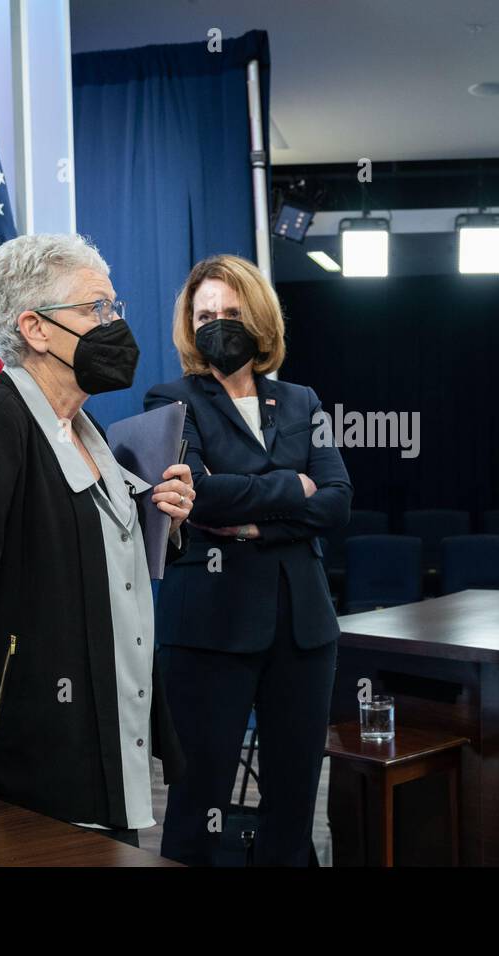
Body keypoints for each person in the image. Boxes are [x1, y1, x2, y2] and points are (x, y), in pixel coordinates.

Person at [0, 233, 195, 848]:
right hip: (32, 769)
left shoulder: (90, 433)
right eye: (96, 310)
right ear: (34, 327)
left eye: (115, 308)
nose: (114, 325)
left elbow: (94, 564)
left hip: (106, 752)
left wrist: (166, 521)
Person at [145, 254, 352, 866]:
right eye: (205, 314)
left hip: (303, 628)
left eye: (231, 313)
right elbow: (196, 493)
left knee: (292, 803)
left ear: (259, 318)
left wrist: (253, 518)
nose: (217, 324)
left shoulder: (301, 400)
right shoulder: (171, 396)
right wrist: (292, 489)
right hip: (209, 625)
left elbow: (339, 500)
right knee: (197, 803)